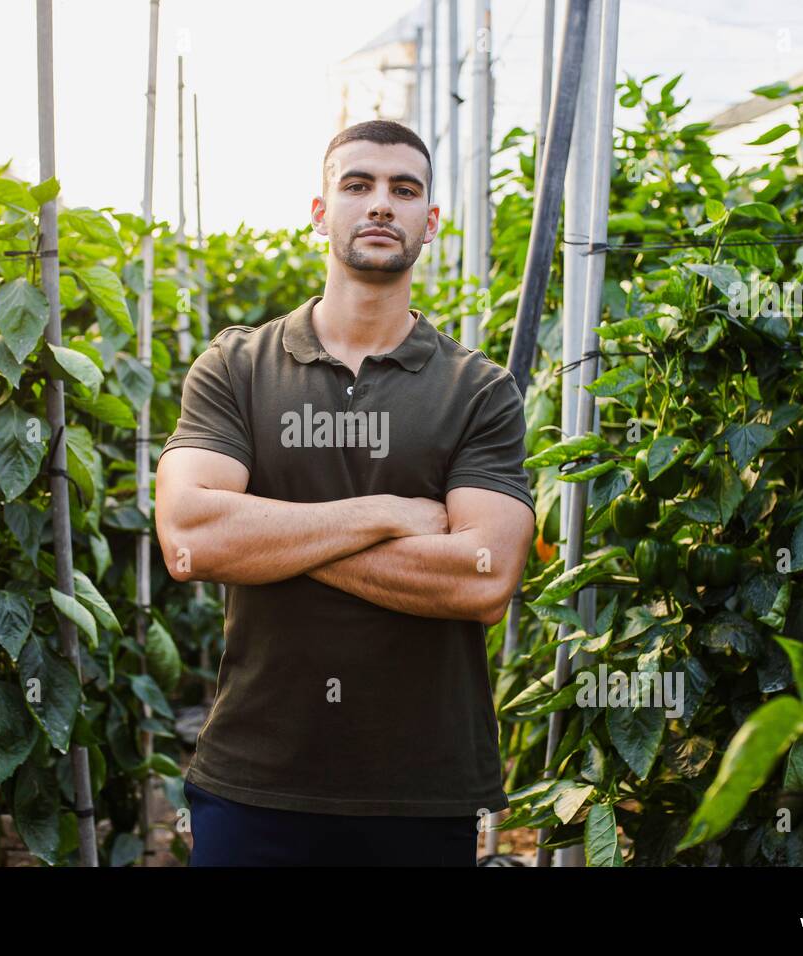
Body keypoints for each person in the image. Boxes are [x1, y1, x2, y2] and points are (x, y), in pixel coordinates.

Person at [154, 119, 536, 866]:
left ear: (432, 221)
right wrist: (384, 515)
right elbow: (191, 539)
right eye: (357, 185)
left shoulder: (478, 389)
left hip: (421, 789)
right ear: (321, 211)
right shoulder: (236, 366)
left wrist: (265, 541)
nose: (381, 205)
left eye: (404, 189)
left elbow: (483, 578)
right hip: (254, 778)